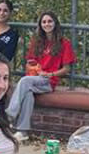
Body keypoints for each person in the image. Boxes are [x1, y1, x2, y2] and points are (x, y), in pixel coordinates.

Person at [7, 11, 75, 140]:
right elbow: (31, 61)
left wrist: (50, 74)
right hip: (35, 77)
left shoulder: (64, 43)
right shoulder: (37, 41)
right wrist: (33, 67)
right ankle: (22, 132)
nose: (47, 24)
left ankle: (9, 115)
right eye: (44, 22)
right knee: (28, 94)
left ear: (55, 23)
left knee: (25, 81)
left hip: (49, 80)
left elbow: (67, 68)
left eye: (49, 21)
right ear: (40, 25)